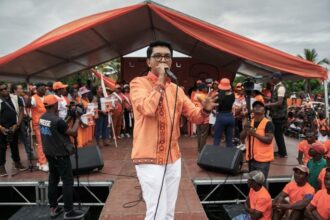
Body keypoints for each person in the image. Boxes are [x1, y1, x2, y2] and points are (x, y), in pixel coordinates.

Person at [130, 40, 217, 220]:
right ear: (148, 62)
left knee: (169, 211)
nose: (163, 60)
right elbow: (147, 108)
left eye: (167, 57)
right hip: (149, 158)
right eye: (157, 56)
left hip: (173, 158)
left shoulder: (177, 89)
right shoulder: (138, 84)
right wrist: (160, 82)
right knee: (156, 212)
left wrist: (206, 109)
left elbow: (195, 116)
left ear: (171, 61)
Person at [39, 95, 84, 219]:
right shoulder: (56, 120)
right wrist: (78, 118)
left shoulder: (43, 118)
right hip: (60, 155)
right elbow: (73, 132)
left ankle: (53, 208)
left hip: (49, 154)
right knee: (67, 181)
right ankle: (68, 211)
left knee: (53, 180)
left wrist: (70, 116)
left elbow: (59, 127)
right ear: (54, 105)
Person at [240, 101, 274, 182]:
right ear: (252, 110)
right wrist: (245, 129)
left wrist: (254, 134)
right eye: (255, 106)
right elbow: (241, 137)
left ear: (264, 110)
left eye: (260, 106)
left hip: (263, 160)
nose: (257, 107)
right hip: (251, 158)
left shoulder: (268, 123)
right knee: (253, 182)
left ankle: (264, 195)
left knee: (261, 183)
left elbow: (269, 140)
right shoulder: (249, 122)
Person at [0, 82, 27, 176]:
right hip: (1, 128)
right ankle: (1, 167)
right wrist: (1, 128)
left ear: (8, 88)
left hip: (14, 126)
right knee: (2, 148)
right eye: (1, 89)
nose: (4, 90)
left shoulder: (16, 97)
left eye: (5, 88)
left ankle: (17, 163)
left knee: (14, 145)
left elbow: (21, 111)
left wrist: (17, 125)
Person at [265, 72, 288, 157]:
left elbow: (279, 102)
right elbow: (274, 99)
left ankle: (283, 152)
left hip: (280, 115)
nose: (271, 79)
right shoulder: (276, 87)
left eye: (272, 78)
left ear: (277, 78)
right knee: (277, 134)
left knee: (278, 134)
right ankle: (281, 151)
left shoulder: (281, 88)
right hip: (276, 114)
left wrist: (267, 105)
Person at [11, 83, 35, 161]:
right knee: (14, 141)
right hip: (14, 121)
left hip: (22, 121)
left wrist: (27, 116)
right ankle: (15, 158)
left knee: (26, 138)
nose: (21, 90)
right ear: (15, 90)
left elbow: (24, 109)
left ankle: (30, 154)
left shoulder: (21, 98)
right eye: (20, 88)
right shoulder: (11, 98)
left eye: (21, 88)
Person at [30, 82, 49, 171]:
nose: (43, 90)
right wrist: (29, 94)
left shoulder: (46, 98)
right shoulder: (34, 98)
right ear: (36, 89)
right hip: (38, 125)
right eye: (41, 89)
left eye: (44, 88)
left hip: (47, 124)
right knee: (41, 144)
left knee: (46, 143)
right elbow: (27, 105)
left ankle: (42, 160)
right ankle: (42, 163)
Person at [213, 78, 235, 147]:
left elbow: (214, 105)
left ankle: (215, 156)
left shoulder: (218, 95)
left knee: (217, 139)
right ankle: (231, 156)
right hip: (230, 117)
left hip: (221, 116)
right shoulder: (233, 95)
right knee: (229, 140)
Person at [194, 83, 210, 153]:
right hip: (204, 117)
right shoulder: (204, 96)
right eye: (205, 87)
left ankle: (199, 149)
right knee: (203, 135)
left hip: (197, 117)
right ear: (202, 88)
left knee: (199, 134)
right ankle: (202, 150)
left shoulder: (195, 95)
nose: (206, 89)